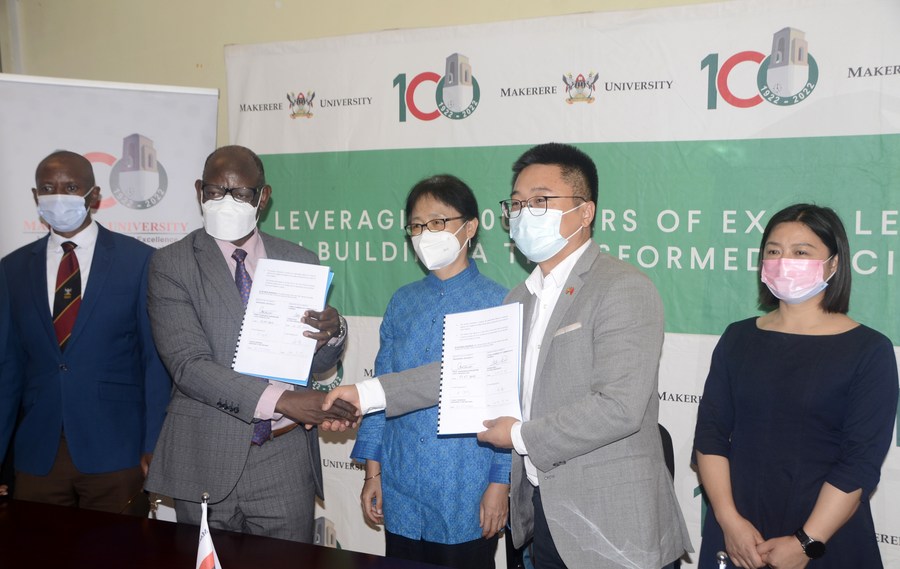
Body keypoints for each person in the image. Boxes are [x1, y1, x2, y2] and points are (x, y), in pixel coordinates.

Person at [326, 143, 692, 569]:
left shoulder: (621, 287)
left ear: (585, 211)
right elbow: (466, 373)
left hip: (612, 526)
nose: (523, 212)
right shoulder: (520, 297)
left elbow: (619, 408)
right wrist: (364, 394)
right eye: (516, 203)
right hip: (546, 517)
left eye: (540, 200)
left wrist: (518, 436)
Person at [144, 145, 357, 542]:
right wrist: (284, 401)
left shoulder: (300, 261)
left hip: (284, 457)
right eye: (215, 191)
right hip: (205, 452)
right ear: (198, 191)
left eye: (240, 193)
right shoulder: (171, 265)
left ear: (264, 196)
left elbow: (317, 360)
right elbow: (189, 366)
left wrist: (334, 332)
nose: (226, 202)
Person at [693, 204, 898, 569]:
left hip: (827, 537)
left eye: (801, 251)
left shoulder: (869, 350)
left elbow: (859, 462)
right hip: (738, 536)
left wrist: (807, 542)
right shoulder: (738, 337)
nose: (784, 260)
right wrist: (728, 520)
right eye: (774, 251)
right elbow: (710, 435)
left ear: (833, 264)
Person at [350, 175, 511, 568]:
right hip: (401, 480)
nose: (426, 233)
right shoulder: (402, 301)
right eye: (417, 225)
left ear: (469, 227)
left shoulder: (499, 302)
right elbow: (379, 390)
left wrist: (500, 482)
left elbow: (509, 402)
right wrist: (374, 473)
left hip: (464, 484)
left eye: (437, 222)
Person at [0, 150, 170, 515]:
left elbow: (153, 361)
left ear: (94, 196)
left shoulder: (139, 261)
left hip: (118, 451)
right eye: (48, 188)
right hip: (38, 454)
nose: (58, 196)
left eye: (71, 186)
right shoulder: (12, 270)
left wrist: (154, 443)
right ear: (35, 198)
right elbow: (8, 368)